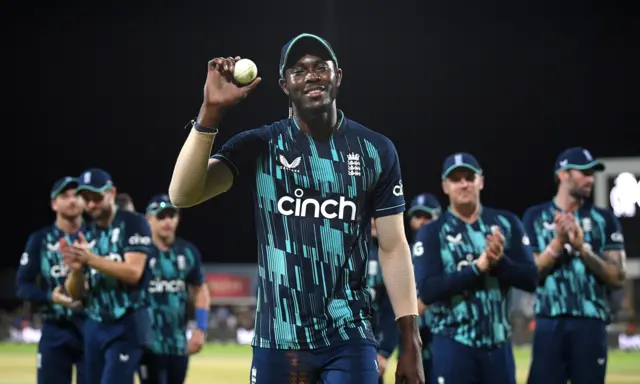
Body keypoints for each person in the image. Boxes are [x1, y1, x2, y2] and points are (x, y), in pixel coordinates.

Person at [168, 33, 424, 383]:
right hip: (278, 338)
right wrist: (210, 112)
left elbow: (394, 247)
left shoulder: (375, 150)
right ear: (284, 85)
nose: (312, 75)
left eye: (321, 67)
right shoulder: (261, 144)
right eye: (299, 70)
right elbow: (182, 194)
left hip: (348, 335)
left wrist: (411, 342)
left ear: (339, 76)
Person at [414, 153, 538, 384]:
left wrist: (499, 262)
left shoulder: (507, 223)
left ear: (481, 181)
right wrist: (477, 268)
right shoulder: (432, 232)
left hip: (498, 345)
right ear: (445, 186)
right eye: (456, 179)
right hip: (453, 343)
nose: (464, 184)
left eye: (469, 177)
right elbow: (428, 289)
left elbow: (531, 279)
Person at [523, 147, 627, 384]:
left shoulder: (605, 220)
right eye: (584, 172)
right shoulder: (535, 217)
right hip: (550, 320)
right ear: (562, 174)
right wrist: (558, 244)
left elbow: (618, 277)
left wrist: (583, 249)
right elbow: (529, 275)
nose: (590, 179)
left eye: (592, 173)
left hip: (591, 322)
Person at [61, 168, 153, 384]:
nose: (91, 204)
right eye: (86, 199)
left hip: (126, 321)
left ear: (111, 193)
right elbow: (75, 293)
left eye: (97, 197)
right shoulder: (86, 233)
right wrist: (76, 269)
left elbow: (133, 273)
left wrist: (90, 259)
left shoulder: (133, 223)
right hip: (94, 324)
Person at [16, 176, 87, 384]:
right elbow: (22, 286)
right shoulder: (41, 239)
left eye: (76, 195)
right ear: (54, 204)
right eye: (64, 196)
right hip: (55, 328)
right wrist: (50, 297)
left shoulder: (95, 236)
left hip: (91, 327)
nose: (72, 200)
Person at [138, 194, 210, 384]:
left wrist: (200, 328)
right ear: (148, 220)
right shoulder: (139, 253)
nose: (168, 221)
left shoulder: (188, 252)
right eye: (161, 216)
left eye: (172, 215)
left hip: (178, 344)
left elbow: (201, 290)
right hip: (147, 343)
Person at [370, 193, 442, 382]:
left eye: (428, 217)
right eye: (418, 217)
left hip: (440, 335)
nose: (422, 222)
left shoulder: (449, 252)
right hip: (408, 336)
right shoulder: (401, 255)